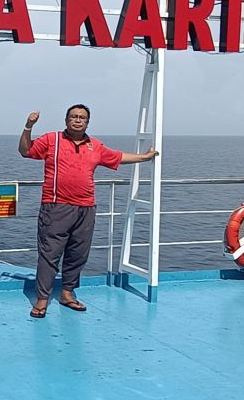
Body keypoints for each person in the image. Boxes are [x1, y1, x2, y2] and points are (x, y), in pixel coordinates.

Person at [19, 105, 158, 318]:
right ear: (66, 120)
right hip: (56, 207)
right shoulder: (51, 140)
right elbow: (25, 151)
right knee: (49, 255)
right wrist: (29, 126)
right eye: (73, 116)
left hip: (86, 208)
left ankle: (67, 293)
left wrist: (145, 157)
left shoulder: (95, 146)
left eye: (82, 117)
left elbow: (118, 156)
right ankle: (42, 299)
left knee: (78, 254)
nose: (77, 120)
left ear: (87, 122)